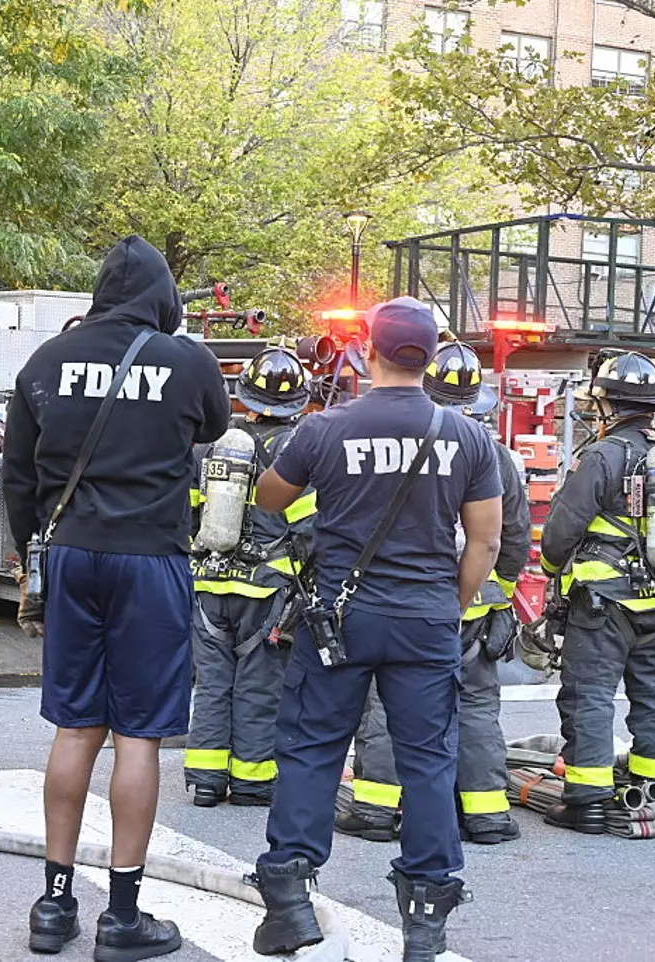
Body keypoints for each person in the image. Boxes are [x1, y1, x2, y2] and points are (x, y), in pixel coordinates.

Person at [248, 297, 502, 962]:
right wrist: (449, 603)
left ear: (369, 348)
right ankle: (426, 919)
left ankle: (291, 898)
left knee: (311, 747)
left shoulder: (325, 428)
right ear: (432, 354)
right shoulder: (469, 436)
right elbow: (485, 542)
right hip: (426, 619)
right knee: (428, 760)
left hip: (340, 615)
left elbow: (269, 498)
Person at [3, 235, 230, 960]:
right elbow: (217, 427)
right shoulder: (186, 360)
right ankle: (123, 914)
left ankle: (54, 902)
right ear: (162, 295)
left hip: (70, 552)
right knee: (139, 735)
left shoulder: (45, 361)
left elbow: (16, 475)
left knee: (74, 728)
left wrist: (31, 554)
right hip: (151, 558)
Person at [337, 342, 532, 847]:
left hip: (411, 601)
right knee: (476, 705)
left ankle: (377, 810)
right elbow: (510, 538)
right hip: (473, 606)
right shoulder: (497, 455)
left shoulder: (399, 444)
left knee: (384, 699)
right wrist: (496, 596)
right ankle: (486, 814)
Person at [539, 350, 655, 833]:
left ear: (609, 404)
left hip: (605, 604)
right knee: (654, 692)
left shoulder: (604, 455)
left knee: (589, 695)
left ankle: (586, 800)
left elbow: (563, 527)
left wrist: (549, 567)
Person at [184, 346, 316, 809]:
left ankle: (205, 779)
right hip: (266, 590)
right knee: (259, 686)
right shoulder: (297, 451)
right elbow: (309, 530)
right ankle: (252, 781)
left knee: (214, 682)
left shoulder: (210, 446)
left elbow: (188, 514)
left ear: (245, 397)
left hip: (207, 585)